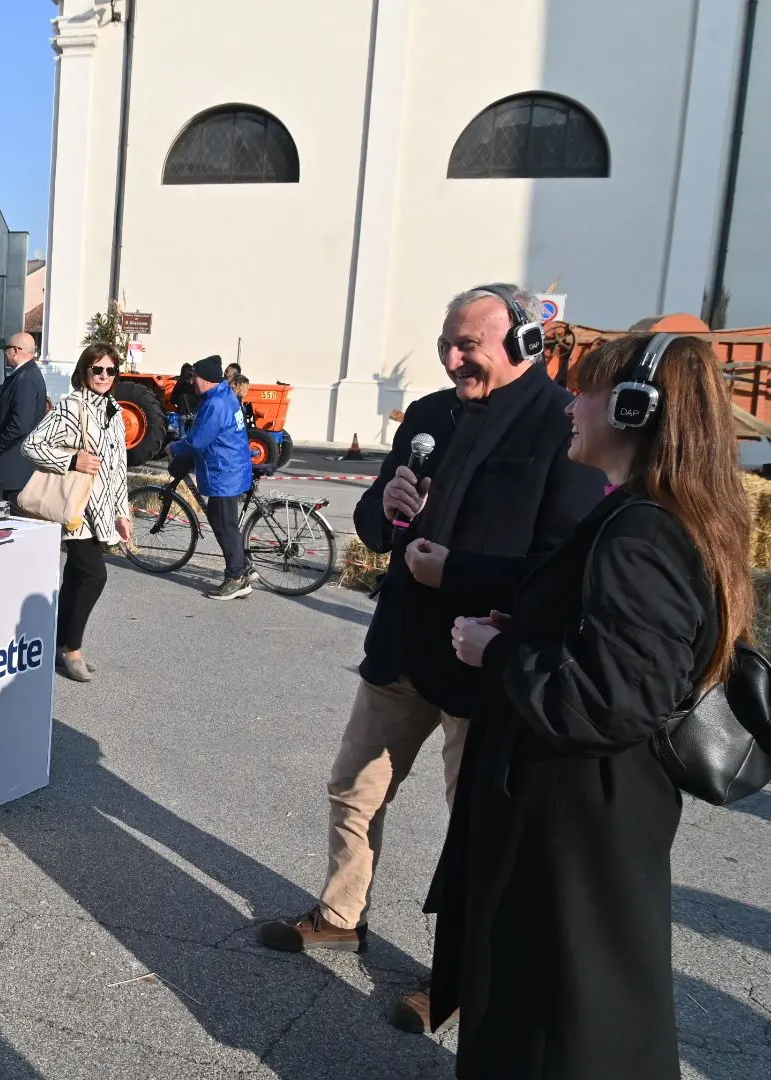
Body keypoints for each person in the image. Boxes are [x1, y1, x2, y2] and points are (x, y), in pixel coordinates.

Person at [254, 284, 603, 1030]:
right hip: (402, 645)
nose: (451, 359)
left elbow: (562, 567)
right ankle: (341, 912)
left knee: (475, 827)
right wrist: (389, 507)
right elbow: (373, 524)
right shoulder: (431, 415)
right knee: (355, 785)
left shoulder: (562, 425)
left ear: (522, 344)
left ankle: (455, 978)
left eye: (467, 346)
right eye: (446, 341)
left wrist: (459, 574)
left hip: (484, 658)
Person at [408, 333, 752, 1077]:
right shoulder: (648, 519)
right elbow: (617, 654)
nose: (571, 405)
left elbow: (614, 700)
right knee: (572, 1001)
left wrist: (496, 653)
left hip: (573, 817)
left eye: (586, 392)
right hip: (587, 810)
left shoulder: (643, 535)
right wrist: (529, 629)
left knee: (562, 1017)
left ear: (635, 409)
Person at [21, 343, 133, 682]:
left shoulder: (115, 412)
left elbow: (119, 468)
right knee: (94, 575)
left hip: (102, 510)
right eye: (96, 369)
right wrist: (72, 459)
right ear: (85, 371)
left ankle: (58, 642)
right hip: (77, 509)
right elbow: (32, 445)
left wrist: (122, 512)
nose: (103, 376)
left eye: (110, 370)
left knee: (76, 577)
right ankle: (72, 649)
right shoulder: (74, 407)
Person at [165, 355, 254, 599]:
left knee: (224, 526)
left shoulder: (215, 404)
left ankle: (237, 577)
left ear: (206, 380)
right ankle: (244, 565)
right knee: (226, 524)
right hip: (232, 467)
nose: (192, 382)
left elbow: (198, 441)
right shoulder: (225, 395)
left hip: (224, 473)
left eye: (195, 377)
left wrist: (175, 448)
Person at [0, 332, 47, 505]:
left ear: (16, 351)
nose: (5, 353)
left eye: (7, 349)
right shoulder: (26, 375)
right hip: (13, 468)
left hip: (13, 469)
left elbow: (20, 424)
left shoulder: (26, 378)